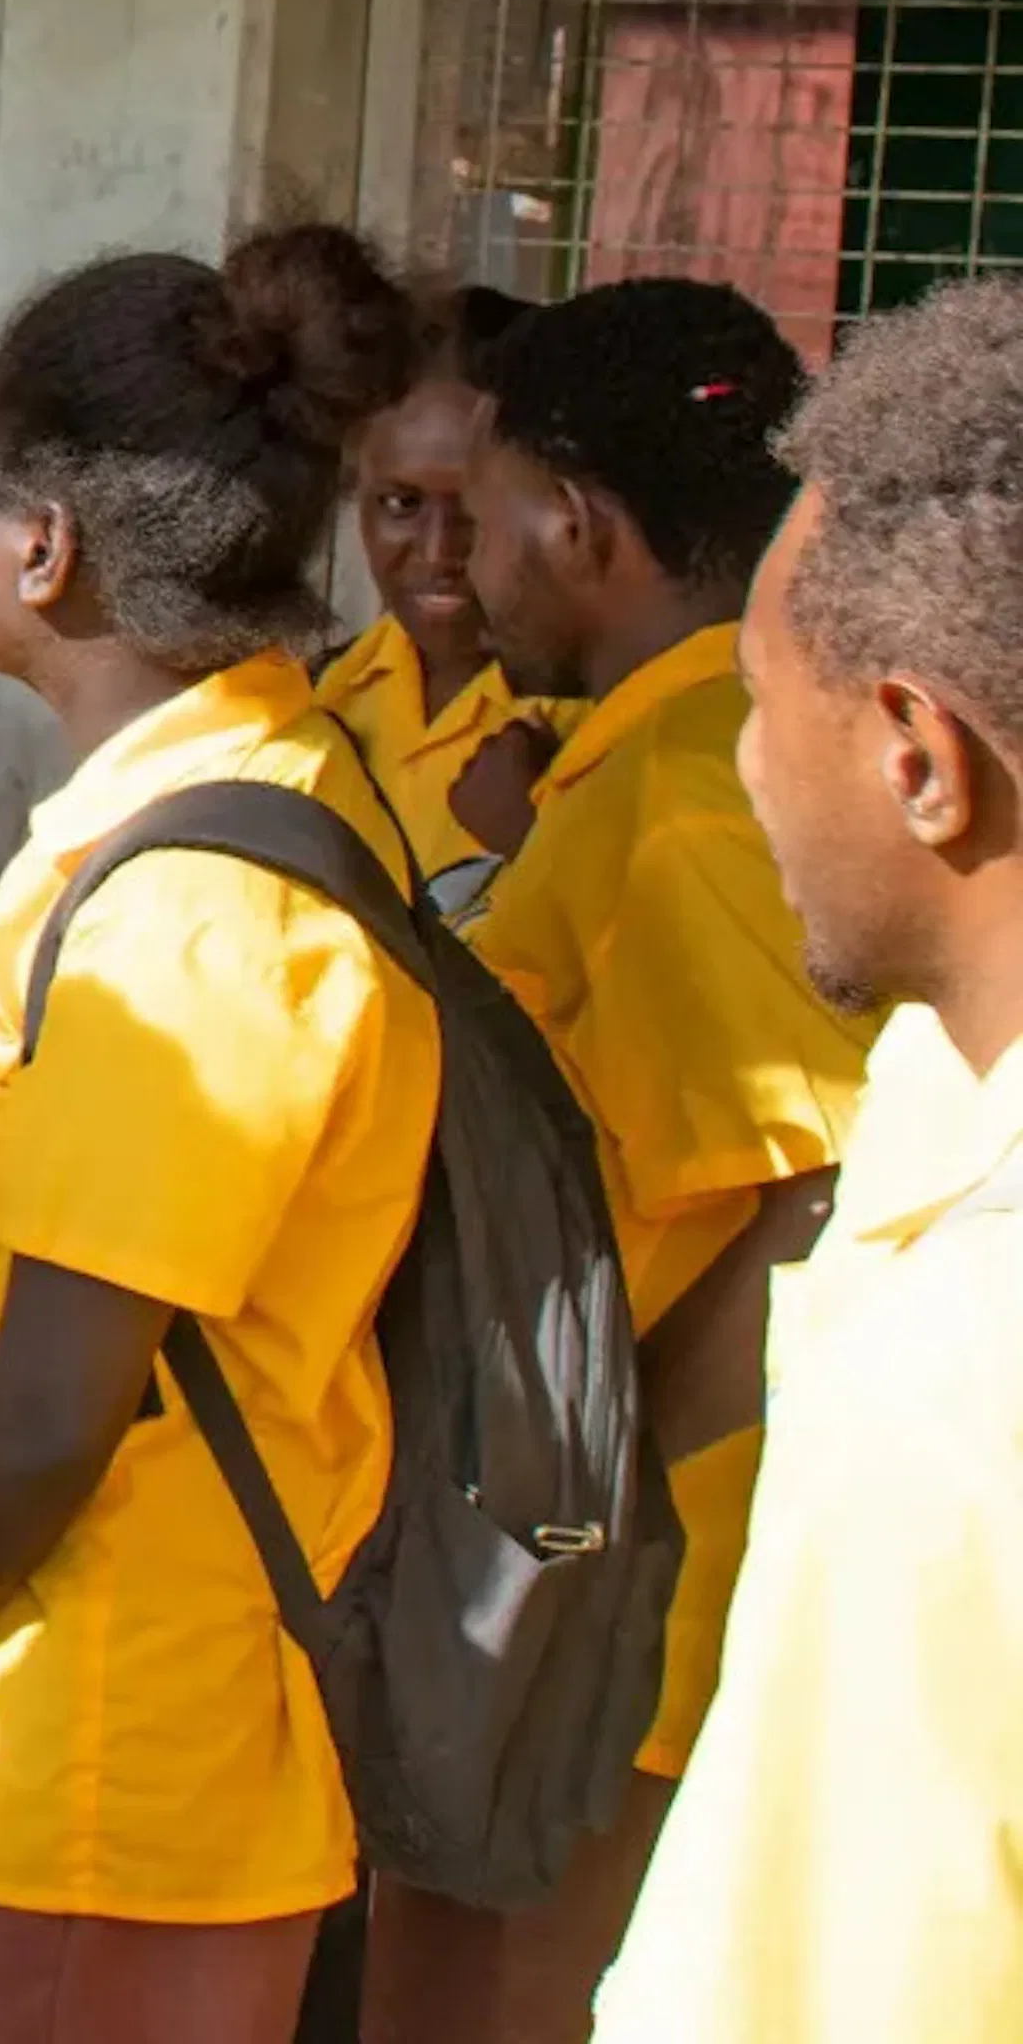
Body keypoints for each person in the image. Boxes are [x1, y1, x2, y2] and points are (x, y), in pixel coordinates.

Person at [0, 224, 439, 2044]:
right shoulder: (208, 816)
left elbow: (58, 1413)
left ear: (45, 548)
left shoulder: (199, 911)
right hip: (75, 1734)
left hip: (100, 1774)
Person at [358, 279, 874, 2042]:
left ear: (573, 524)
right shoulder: (655, 762)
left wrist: (603, 1492)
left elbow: (819, 1204)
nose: (463, 559)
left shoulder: (691, 794)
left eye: (487, 515)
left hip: (639, 1612)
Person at [590, 274, 1023, 2043]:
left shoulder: (977, 1386)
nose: (751, 769)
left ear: (920, 755)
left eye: (763, 705)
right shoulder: (939, 1085)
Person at [309, 286, 576, 880]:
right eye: (401, 503)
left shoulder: (590, 722)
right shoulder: (320, 698)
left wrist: (538, 844)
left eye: (475, 510)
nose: (438, 552)